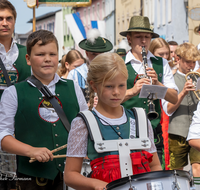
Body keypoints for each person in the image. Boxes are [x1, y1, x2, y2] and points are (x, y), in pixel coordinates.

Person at [0, 30, 88, 190]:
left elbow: (87, 125)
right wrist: (30, 150)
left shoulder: (74, 88)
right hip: (31, 179)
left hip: (72, 176)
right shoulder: (12, 93)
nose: (47, 59)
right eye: (40, 54)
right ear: (28, 59)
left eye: (52, 54)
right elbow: (3, 136)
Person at [64, 52, 162, 190]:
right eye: (109, 86)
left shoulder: (140, 118)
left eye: (121, 85)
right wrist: (96, 184)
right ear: (94, 85)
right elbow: (70, 175)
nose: (116, 92)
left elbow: (154, 165)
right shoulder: (83, 123)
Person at [120, 15, 178, 168]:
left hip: (153, 130)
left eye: (147, 37)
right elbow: (110, 101)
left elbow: (174, 98)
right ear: (129, 39)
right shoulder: (119, 63)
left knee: (155, 176)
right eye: (139, 37)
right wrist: (133, 90)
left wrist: (157, 84)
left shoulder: (162, 63)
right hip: (126, 130)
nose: (144, 41)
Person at [163, 43, 200, 178]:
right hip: (177, 131)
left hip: (197, 132)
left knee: (197, 167)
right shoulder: (170, 80)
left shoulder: (198, 77)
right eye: (188, 62)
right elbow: (168, 110)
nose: (191, 66)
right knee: (177, 171)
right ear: (178, 59)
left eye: (194, 62)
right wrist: (183, 92)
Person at [67, 28, 113, 104]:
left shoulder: (111, 72)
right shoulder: (75, 74)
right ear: (87, 53)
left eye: (101, 54)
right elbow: (69, 102)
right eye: (94, 54)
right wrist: (87, 107)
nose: (97, 58)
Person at [0, 0, 31, 98]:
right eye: (0, 19)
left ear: (14, 22)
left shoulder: (28, 53)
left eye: (9, 18)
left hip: (20, 112)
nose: (5, 23)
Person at [149, 37, 172, 170]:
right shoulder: (154, 66)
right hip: (158, 111)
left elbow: (172, 95)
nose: (165, 57)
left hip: (167, 108)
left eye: (166, 53)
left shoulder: (166, 66)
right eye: (160, 54)